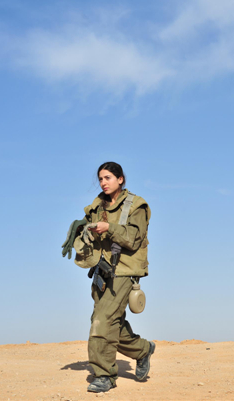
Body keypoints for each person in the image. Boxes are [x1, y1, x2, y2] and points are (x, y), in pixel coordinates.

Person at [62, 161, 155, 393]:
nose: (103, 182)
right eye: (101, 179)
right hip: (103, 270)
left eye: (108, 178)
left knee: (102, 320)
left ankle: (104, 375)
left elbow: (134, 237)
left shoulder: (137, 205)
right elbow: (89, 228)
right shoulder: (96, 207)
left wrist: (108, 228)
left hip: (125, 269)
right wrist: (81, 231)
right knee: (109, 321)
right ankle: (143, 349)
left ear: (120, 179)